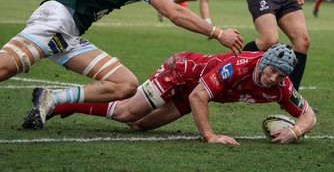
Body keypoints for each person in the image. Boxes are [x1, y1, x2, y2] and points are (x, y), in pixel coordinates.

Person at [0, 0, 243, 129]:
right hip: (56, 19)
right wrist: (218, 33)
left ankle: (52, 98)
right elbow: (174, 13)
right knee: (5, 68)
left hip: (69, 32)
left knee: (125, 83)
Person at [24, 44, 317, 145]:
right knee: (129, 112)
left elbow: (308, 115)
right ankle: (59, 100)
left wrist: (295, 132)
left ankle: (72, 106)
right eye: (272, 71)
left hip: (194, 87)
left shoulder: (281, 87)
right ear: (263, 63)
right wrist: (210, 136)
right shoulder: (238, 67)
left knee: (140, 125)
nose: (274, 78)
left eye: (281, 75)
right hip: (182, 71)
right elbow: (198, 98)